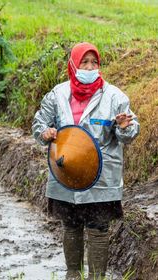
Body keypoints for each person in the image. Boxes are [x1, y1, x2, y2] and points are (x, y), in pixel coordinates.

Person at [32, 42, 140, 279]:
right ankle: (73, 274)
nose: (90, 67)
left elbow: (130, 133)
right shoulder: (58, 95)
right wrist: (45, 133)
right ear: (73, 65)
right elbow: (39, 123)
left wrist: (124, 126)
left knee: (99, 228)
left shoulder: (114, 97)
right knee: (71, 226)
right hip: (66, 171)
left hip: (101, 176)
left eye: (94, 63)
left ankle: (97, 276)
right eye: (85, 62)